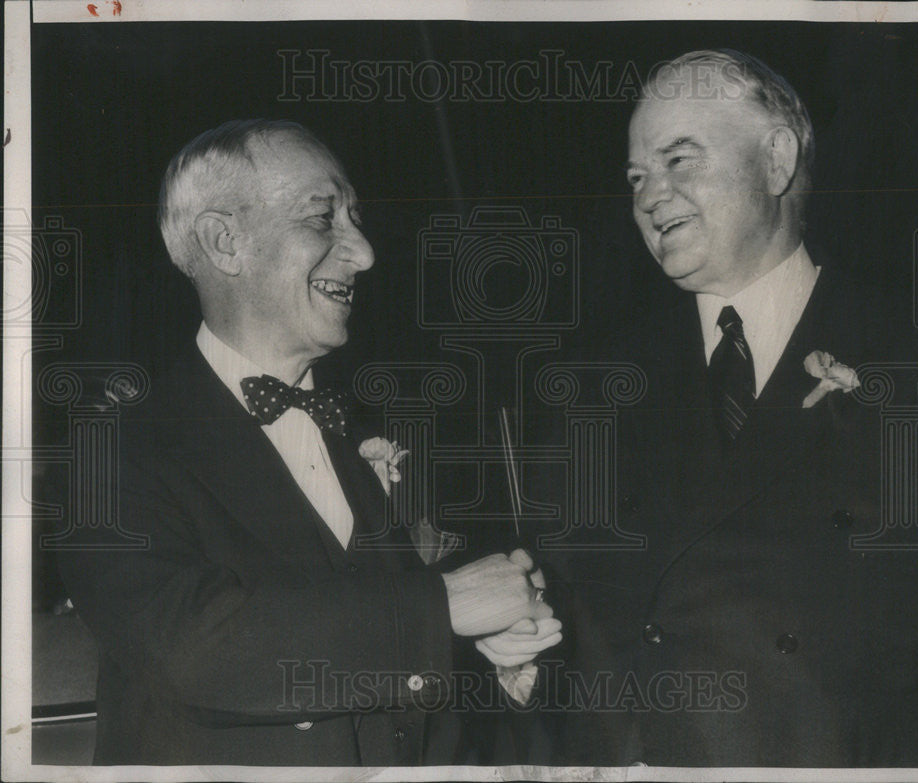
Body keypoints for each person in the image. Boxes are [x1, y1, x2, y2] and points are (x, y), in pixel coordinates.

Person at [57, 119, 561, 766]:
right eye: (323, 218)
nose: (365, 251)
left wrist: (495, 656)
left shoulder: (379, 428)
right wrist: (444, 606)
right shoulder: (117, 447)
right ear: (225, 242)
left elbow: (389, 659)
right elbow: (192, 647)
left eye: (356, 218)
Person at [546, 50, 918, 767]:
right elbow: (564, 619)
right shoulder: (595, 383)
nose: (651, 195)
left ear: (776, 161)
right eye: (636, 177)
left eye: (679, 159)